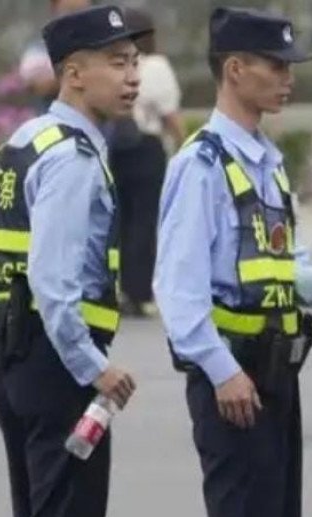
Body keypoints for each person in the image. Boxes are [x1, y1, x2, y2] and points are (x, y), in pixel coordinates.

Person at [153, 7, 312, 517]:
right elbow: (177, 289)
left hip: (275, 378)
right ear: (234, 69)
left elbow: (263, 265)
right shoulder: (201, 165)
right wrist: (218, 369)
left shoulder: (265, 160)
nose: (287, 80)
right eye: (276, 66)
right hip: (232, 384)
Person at [0, 5, 145, 517]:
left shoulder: (25, 143)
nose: (132, 75)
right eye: (116, 62)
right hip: (57, 374)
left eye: (134, 61)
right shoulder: (73, 160)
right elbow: (53, 277)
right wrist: (92, 364)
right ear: (73, 75)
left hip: (12, 361)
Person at [109, 7, 183, 317]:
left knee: (121, 219)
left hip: (116, 146)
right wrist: (184, 144)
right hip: (147, 145)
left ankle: (119, 287)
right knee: (144, 219)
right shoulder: (156, 66)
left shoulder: (113, 66)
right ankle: (138, 291)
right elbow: (169, 114)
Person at [18, 0, 93, 113]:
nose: (75, 18)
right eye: (70, 11)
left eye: (81, 11)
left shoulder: (100, 42)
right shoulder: (41, 45)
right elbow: (39, 84)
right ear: (55, 8)